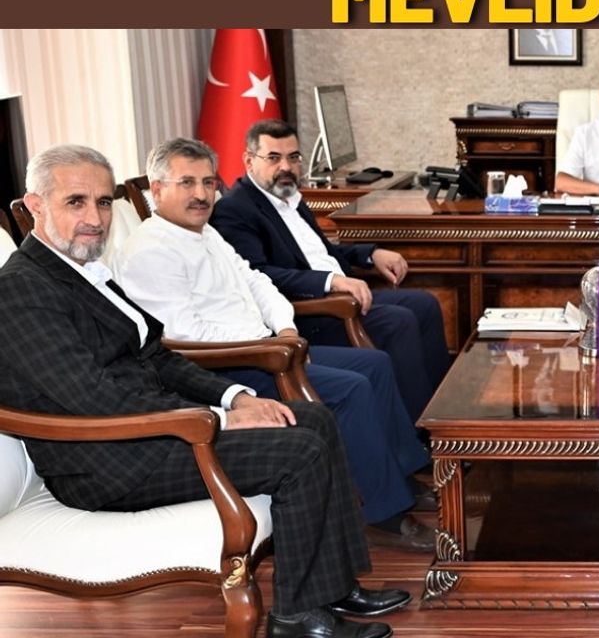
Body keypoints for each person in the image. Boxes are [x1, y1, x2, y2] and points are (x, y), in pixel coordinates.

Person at [0, 144, 409, 638]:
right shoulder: (22, 289)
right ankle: (297, 619)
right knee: (299, 451)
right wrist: (219, 419)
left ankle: (333, 586)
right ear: (36, 205)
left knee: (313, 416)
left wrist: (236, 396)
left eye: (104, 202)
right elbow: (92, 397)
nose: (95, 218)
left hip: (150, 432)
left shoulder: (82, 269)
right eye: (76, 202)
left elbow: (157, 356)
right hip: (108, 461)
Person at [113, 137, 437, 551]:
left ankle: (400, 475)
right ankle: (384, 512)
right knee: (352, 388)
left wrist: (284, 329)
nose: (201, 194)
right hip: (227, 368)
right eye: (187, 183)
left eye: (208, 182)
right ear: (157, 190)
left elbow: (257, 281)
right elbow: (183, 337)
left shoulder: (205, 232)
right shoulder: (149, 251)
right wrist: (266, 345)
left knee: (373, 364)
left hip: (267, 348)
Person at [209, 119, 451, 424]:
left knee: (425, 304)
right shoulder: (235, 209)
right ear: (249, 161)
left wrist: (370, 253)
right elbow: (259, 274)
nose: (286, 167)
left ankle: (441, 413)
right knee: (398, 321)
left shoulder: (288, 197)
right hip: (309, 312)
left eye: (293, 157)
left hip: (337, 296)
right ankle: (421, 428)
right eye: (273, 158)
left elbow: (321, 254)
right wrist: (330, 281)